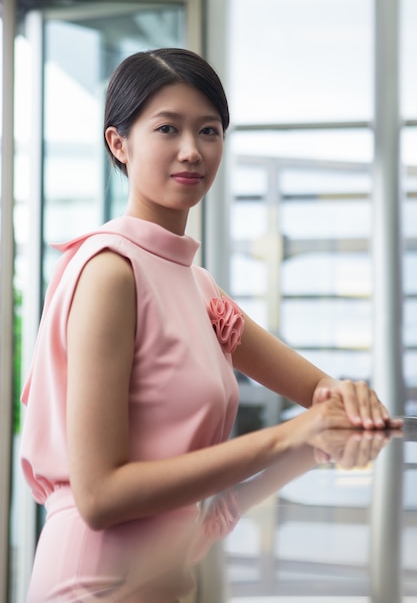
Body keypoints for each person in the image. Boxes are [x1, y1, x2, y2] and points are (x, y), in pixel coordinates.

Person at [20, 48, 403, 602]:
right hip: (93, 582)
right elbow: (100, 495)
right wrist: (292, 434)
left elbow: (318, 394)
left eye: (209, 131)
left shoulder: (196, 285)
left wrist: (347, 400)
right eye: (167, 128)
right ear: (118, 143)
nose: (191, 151)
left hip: (170, 576)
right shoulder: (110, 270)